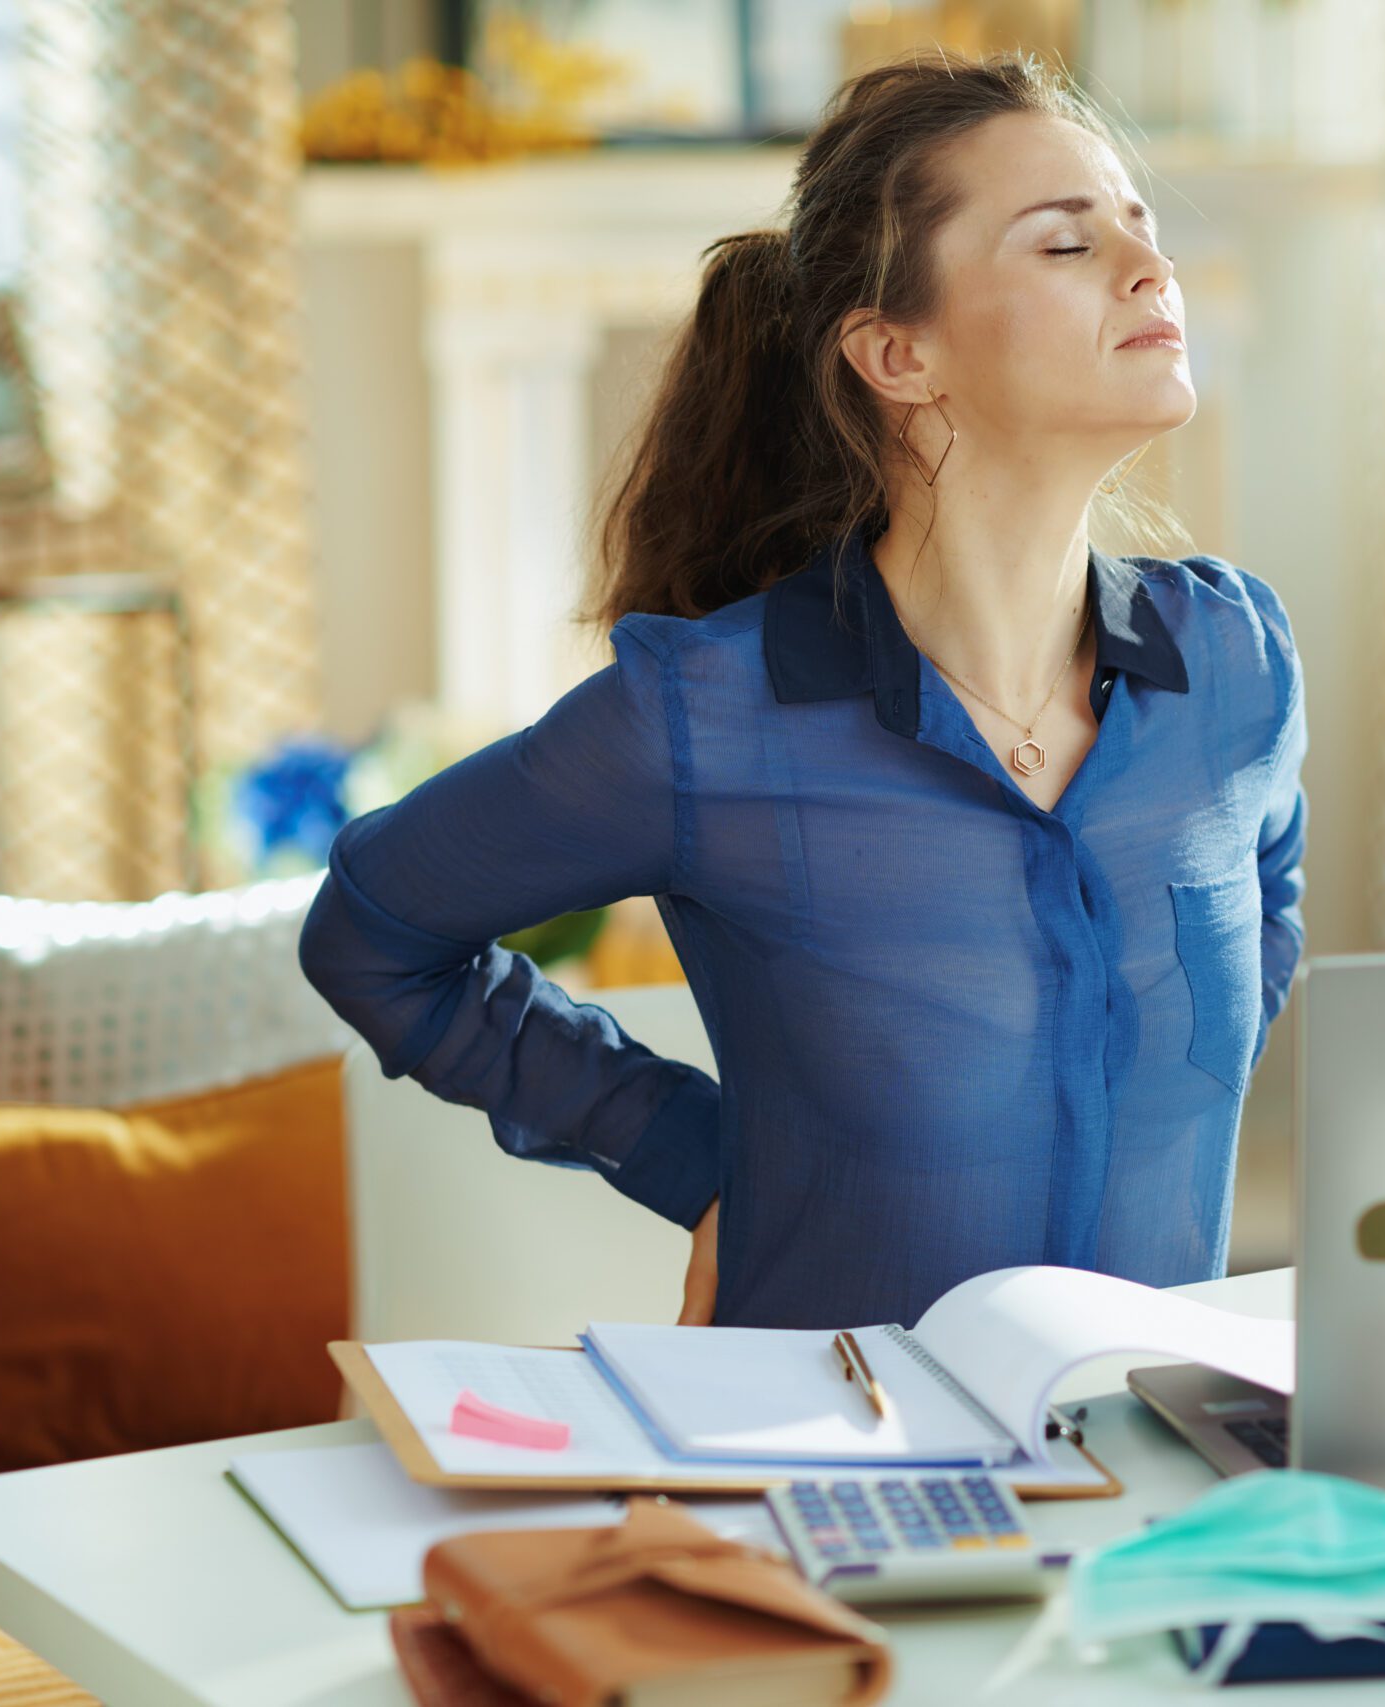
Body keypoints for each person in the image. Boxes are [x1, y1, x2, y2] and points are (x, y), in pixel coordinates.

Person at [299, 51, 1307, 1331]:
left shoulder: (1234, 662)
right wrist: (691, 1156)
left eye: (1137, 223)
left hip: (1150, 1463)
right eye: (1064, 244)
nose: (1144, 265)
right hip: (836, 1477)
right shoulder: (709, 717)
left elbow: (1268, 897)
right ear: (898, 355)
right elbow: (374, 931)